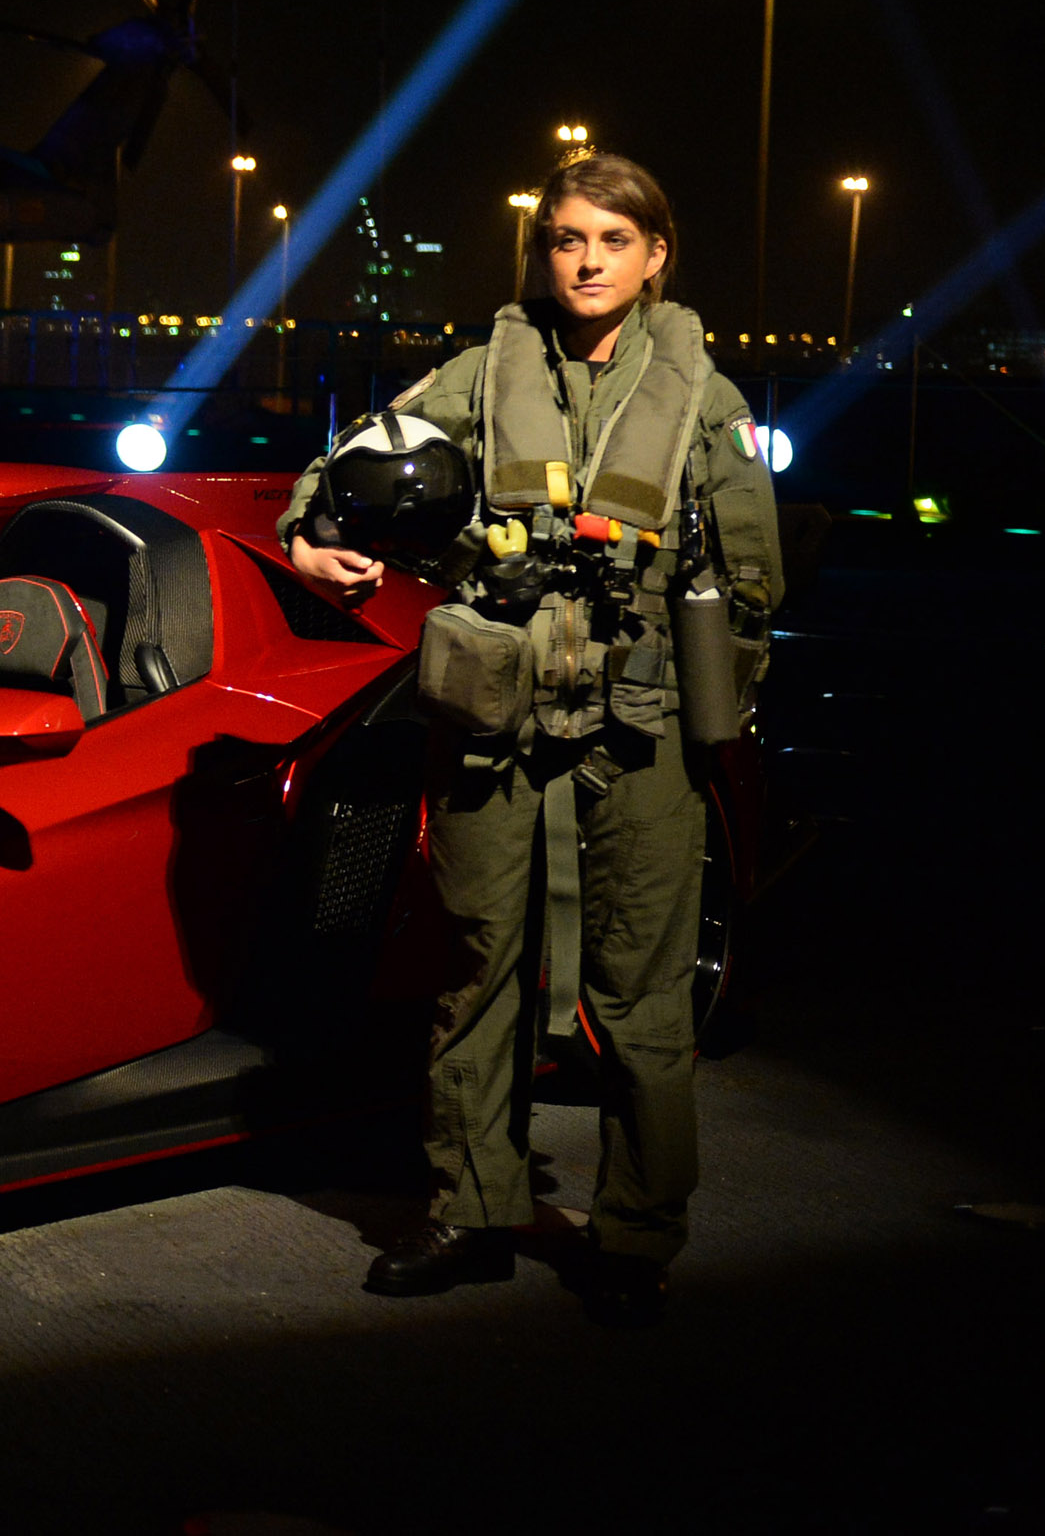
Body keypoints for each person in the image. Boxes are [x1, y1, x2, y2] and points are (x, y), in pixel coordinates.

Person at [276, 152, 783, 1325]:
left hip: (643, 722)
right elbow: (354, 457)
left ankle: (636, 1227)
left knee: (642, 990)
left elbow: (753, 581)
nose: (588, 259)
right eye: (568, 239)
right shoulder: (486, 367)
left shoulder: (706, 400)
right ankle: (472, 1206)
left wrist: (715, 685)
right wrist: (311, 529)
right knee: (476, 961)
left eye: (614, 239)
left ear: (656, 255)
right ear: (543, 251)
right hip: (495, 710)